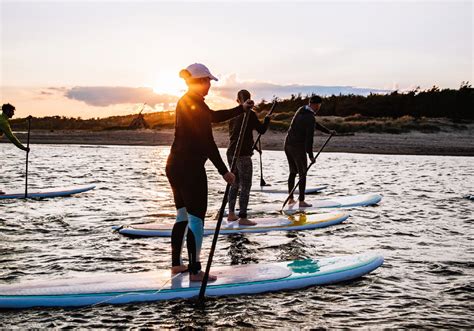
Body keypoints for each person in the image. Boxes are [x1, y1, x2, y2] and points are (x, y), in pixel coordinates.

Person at [166, 63, 254, 282]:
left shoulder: (188, 101)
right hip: (189, 168)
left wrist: (240, 108)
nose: (209, 86)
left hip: (174, 165)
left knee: (183, 215)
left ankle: (177, 265)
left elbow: (213, 117)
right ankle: (195, 271)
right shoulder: (193, 103)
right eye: (208, 81)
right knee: (196, 219)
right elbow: (207, 142)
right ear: (201, 81)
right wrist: (224, 171)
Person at [226, 89, 271, 226]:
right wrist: (267, 120)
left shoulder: (233, 115)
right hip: (243, 155)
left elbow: (237, 135)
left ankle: (231, 214)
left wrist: (254, 147)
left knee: (235, 183)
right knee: (246, 185)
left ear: (238, 101)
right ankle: (243, 217)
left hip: (231, 152)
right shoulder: (250, 114)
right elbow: (262, 130)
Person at [284, 95, 335, 207]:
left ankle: (291, 199)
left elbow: (314, 125)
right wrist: (311, 155)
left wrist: (327, 131)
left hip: (287, 144)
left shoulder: (301, 109)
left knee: (293, 172)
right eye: (319, 105)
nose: (319, 107)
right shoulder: (310, 117)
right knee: (303, 173)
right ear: (316, 105)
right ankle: (301, 201)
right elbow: (309, 138)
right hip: (297, 147)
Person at [0, 103, 30, 195]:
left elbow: (13, 121)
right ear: (7, 111)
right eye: (12, 111)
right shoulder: (3, 122)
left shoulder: (2, 118)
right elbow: (12, 137)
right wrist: (23, 148)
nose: (13, 114)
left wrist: (25, 119)